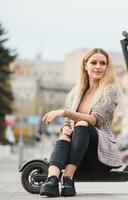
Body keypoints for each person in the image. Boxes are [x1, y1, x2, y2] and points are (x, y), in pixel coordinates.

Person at [40, 48, 122, 197]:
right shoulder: (75, 92)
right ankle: (52, 180)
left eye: (103, 63)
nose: (98, 66)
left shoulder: (110, 90)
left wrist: (64, 112)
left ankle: (68, 178)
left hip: (98, 156)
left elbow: (94, 120)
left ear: (107, 67)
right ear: (85, 65)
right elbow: (67, 122)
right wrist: (65, 128)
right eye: (94, 62)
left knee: (83, 124)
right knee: (64, 137)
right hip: (77, 155)